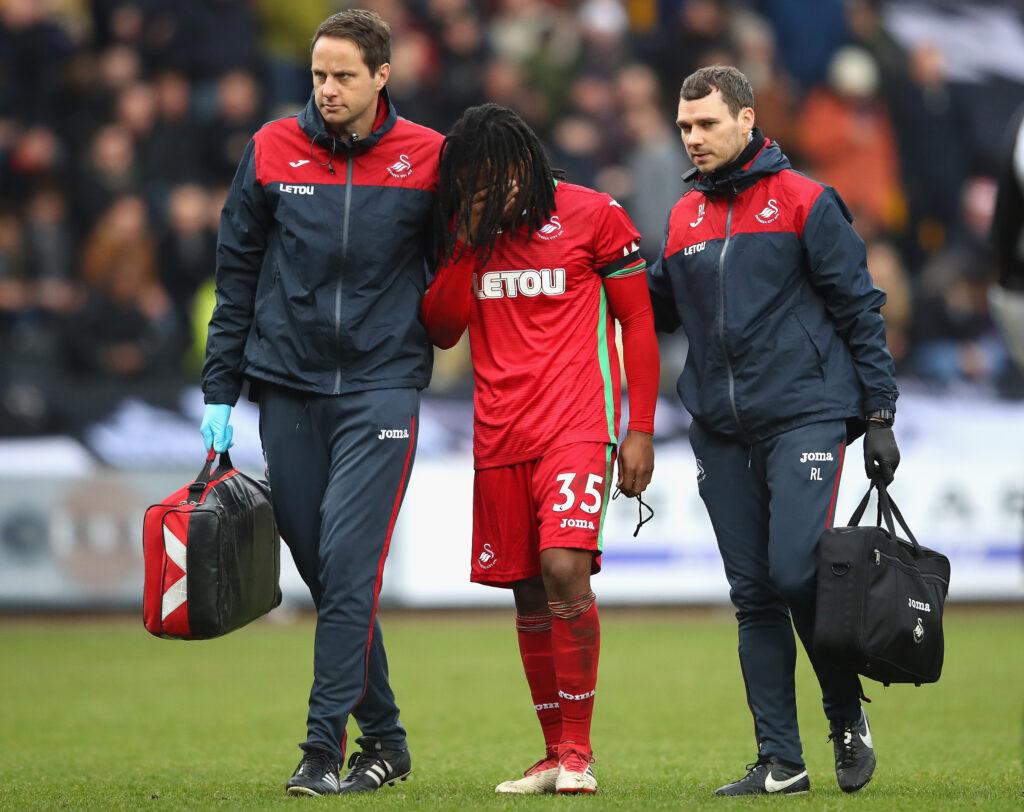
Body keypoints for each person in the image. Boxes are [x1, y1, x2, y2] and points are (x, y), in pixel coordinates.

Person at [198, 9, 443, 797]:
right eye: (317, 75)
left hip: (382, 384)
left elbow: (459, 274)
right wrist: (219, 392)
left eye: (343, 76)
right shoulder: (270, 149)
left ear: (381, 77)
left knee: (347, 564)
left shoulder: (429, 157)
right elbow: (235, 274)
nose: (327, 90)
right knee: (320, 566)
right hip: (288, 384)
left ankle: (319, 750)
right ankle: (389, 740)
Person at [647, 66, 900, 796]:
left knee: (795, 573)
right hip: (720, 427)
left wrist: (879, 416)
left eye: (707, 125)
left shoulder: (807, 201)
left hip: (805, 414)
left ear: (748, 120)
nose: (693, 138)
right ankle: (780, 762)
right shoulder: (683, 216)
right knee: (754, 594)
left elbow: (860, 308)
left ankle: (844, 710)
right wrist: (597, 266)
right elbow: (659, 308)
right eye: (685, 127)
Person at [421, 103, 659, 795]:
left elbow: (638, 322)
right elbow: (440, 329)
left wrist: (637, 428)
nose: (494, 193)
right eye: (477, 183)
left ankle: (579, 755)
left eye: (500, 178)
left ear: (527, 162)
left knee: (563, 569)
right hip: (499, 436)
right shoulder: (468, 236)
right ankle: (553, 752)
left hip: (577, 428)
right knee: (528, 595)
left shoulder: (593, 215)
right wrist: (466, 244)